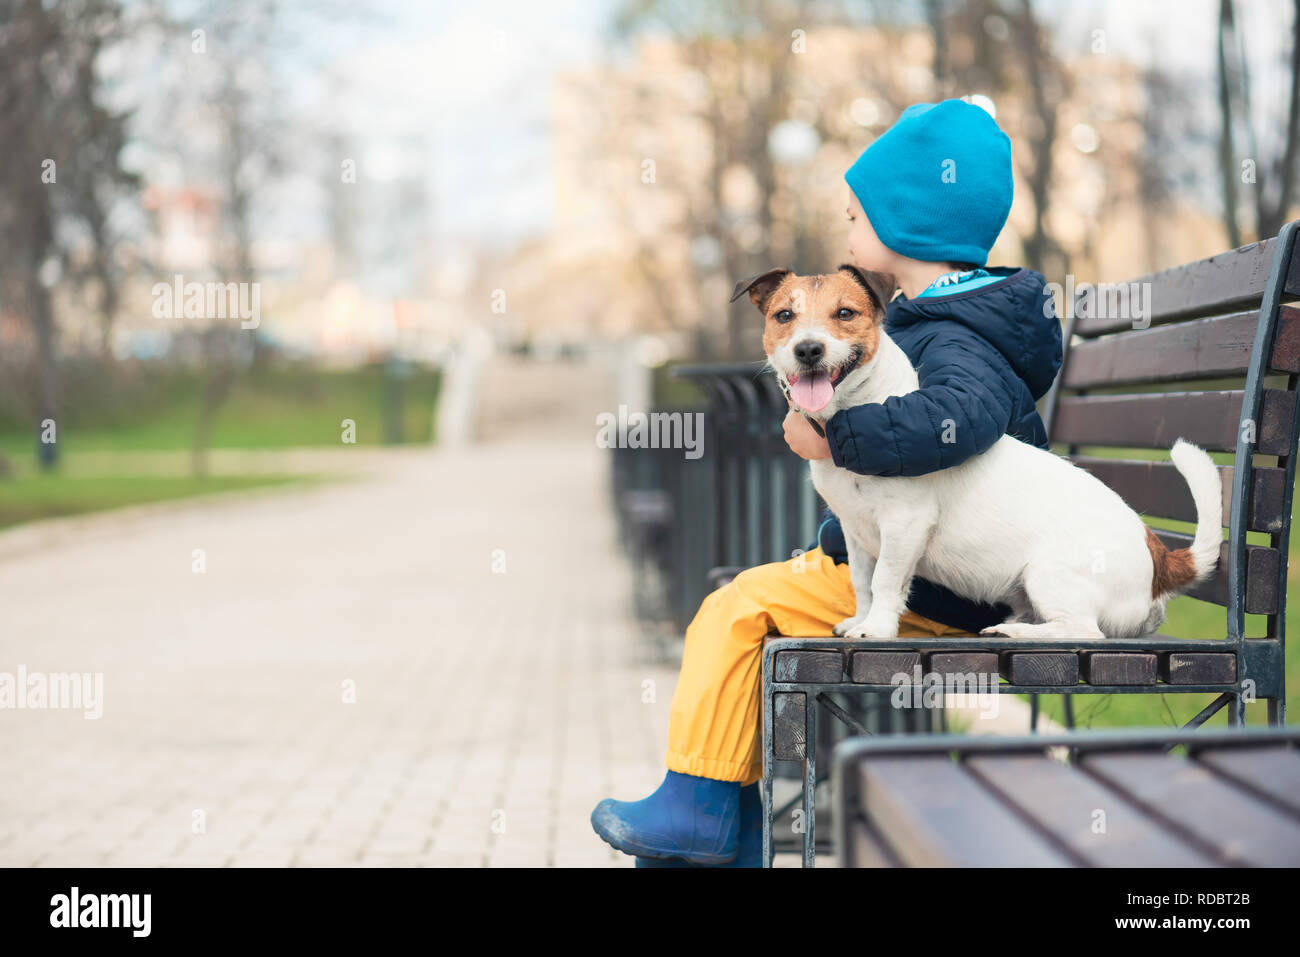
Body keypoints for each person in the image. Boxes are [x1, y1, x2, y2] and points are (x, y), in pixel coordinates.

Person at [591, 98, 1064, 867]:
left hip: (948, 590)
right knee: (739, 611)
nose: (846, 226)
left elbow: (955, 419)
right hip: (922, 571)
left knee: (734, 610)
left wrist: (829, 434)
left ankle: (699, 813)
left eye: (855, 214)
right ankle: (720, 831)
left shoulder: (959, 334)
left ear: (907, 223)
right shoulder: (938, 319)